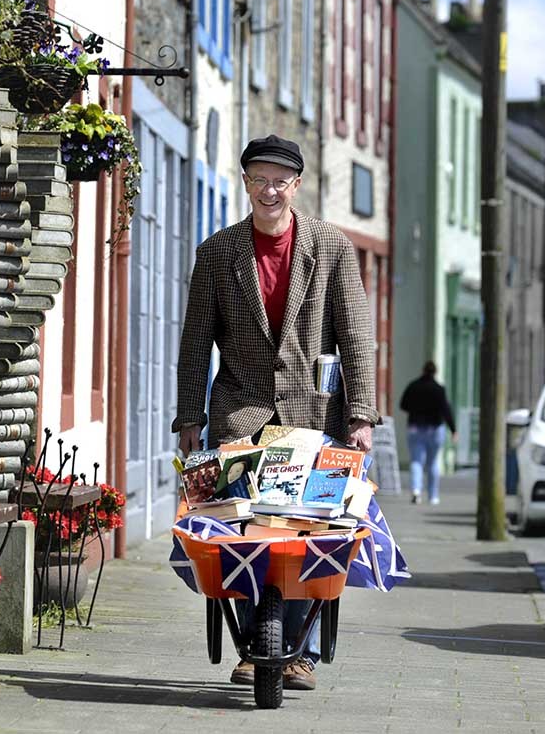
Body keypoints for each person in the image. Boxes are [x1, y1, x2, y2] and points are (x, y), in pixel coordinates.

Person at [172, 134, 379, 692]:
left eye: (279, 180)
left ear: (297, 185)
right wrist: (190, 417)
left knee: (312, 531)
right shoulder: (217, 253)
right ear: (245, 183)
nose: (269, 190)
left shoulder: (331, 248)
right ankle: (254, 644)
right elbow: (195, 342)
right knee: (240, 530)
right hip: (241, 410)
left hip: (316, 414)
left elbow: (356, 337)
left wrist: (360, 415)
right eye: (258, 179)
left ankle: (300, 650)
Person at [399, 360, 457, 505]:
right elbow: (446, 410)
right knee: (432, 462)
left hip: (415, 428)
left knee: (416, 461)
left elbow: (403, 404)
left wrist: (415, 410)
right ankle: (433, 496)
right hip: (435, 429)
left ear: (423, 370)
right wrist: (453, 429)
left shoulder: (413, 386)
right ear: (435, 372)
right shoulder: (439, 389)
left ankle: (416, 490)